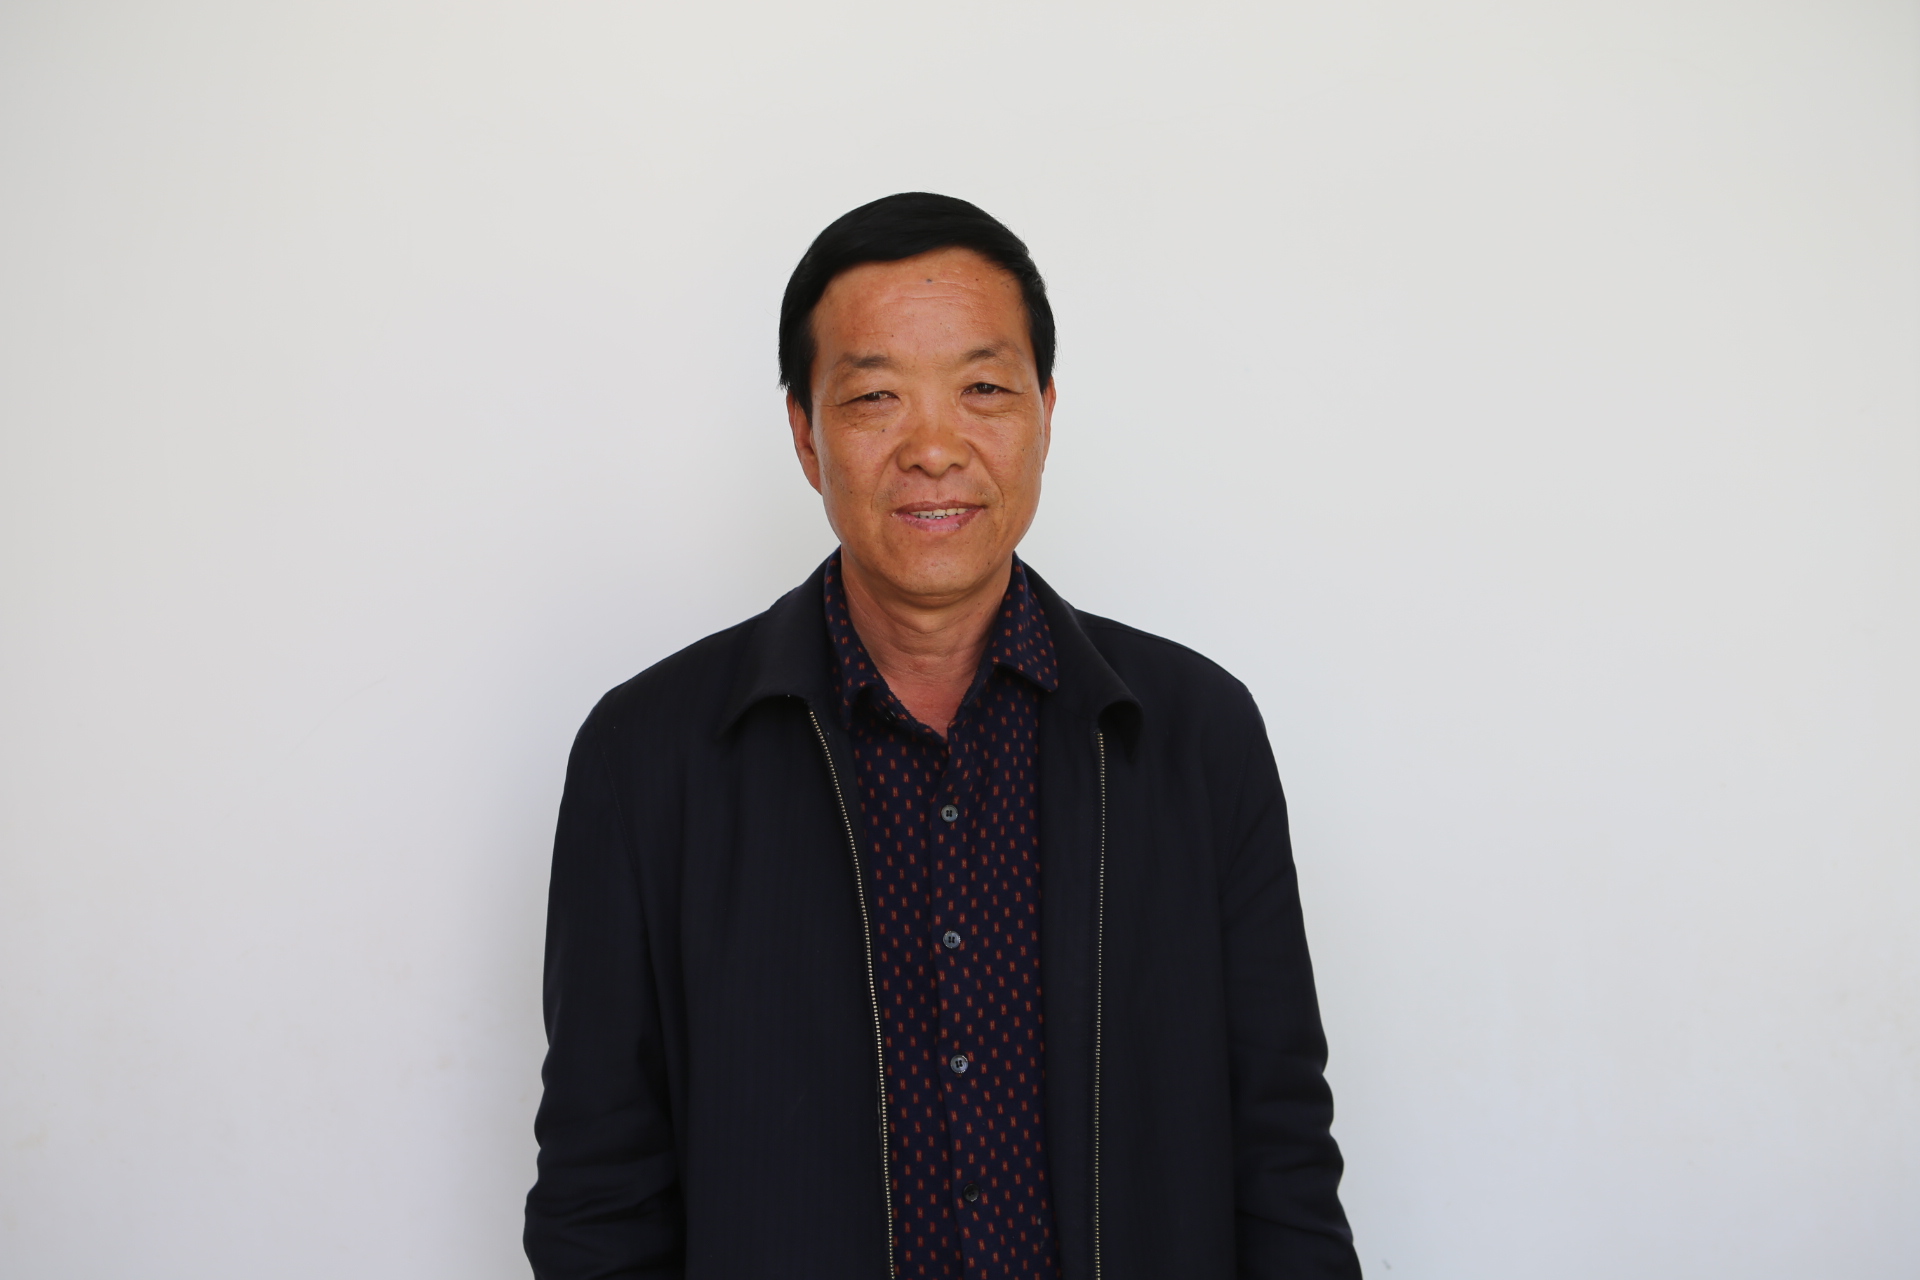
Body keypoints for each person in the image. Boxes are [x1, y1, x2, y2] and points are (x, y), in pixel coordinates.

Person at [523, 192, 1360, 1280]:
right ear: (805, 433)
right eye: (875, 396)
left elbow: (1282, 1163)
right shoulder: (647, 759)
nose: (932, 447)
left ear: (1045, 411)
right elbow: (599, 1200)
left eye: (983, 389)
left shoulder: (1196, 738)